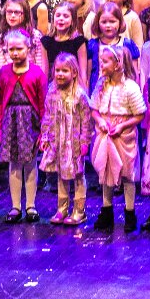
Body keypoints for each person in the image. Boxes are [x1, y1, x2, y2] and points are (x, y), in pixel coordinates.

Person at [90, 43, 146, 232]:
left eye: (105, 61)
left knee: (127, 174)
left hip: (123, 136)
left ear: (118, 64)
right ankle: (106, 211)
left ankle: (130, 213)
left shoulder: (130, 87)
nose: (102, 65)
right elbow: (94, 109)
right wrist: (100, 121)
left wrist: (122, 126)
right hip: (105, 133)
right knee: (106, 173)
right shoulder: (101, 85)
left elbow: (139, 114)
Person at [0, 31, 45, 223]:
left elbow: (42, 103)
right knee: (14, 164)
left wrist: (43, 130)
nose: (15, 53)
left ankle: (31, 205)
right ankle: (15, 206)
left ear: (29, 48)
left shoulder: (37, 73)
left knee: (30, 163)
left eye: (19, 49)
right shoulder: (4, 72)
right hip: (10, 122)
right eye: (11, 49)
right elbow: (0, 102)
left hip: (30, 122)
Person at [40, 52, 93, 226]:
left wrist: (85, 141)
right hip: (58, 141)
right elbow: (48, 116)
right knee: (61, 174)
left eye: (65, 71)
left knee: (77, 174)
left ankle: (79, 210)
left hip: (75, 142)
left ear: (74, 73)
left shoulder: (80, 95)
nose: (60, 74)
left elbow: (86, 121)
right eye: (57, 70)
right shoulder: (52, 92)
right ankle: (62, 209)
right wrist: (45, 137)